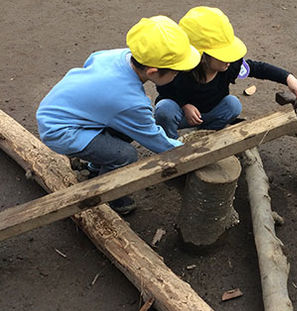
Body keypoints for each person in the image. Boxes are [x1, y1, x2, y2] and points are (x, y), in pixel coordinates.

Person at [36, 16, 201, 215]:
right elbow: (155, 139)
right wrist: (190, 152)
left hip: (61, 111)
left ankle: (94, 166)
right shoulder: (130, 102)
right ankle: (110, 198)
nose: (177, 76)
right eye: (175, 73)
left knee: (126, 131)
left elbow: (92, 61)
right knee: (125, 156)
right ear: (152, 72)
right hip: (60, 131)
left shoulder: (118, 55)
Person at [154, 6, 297, 139]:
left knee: (233, 105)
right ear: (203, 57)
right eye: (222, 55)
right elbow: (163, 87)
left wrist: (288, 78)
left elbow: (258, 68)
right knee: (164, 109)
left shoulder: (230, 65)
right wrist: (184, 105)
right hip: (181, 115)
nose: (229, 60)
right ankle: (171, 144)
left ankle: (206, 135)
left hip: (209, 113)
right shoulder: (180, 68)